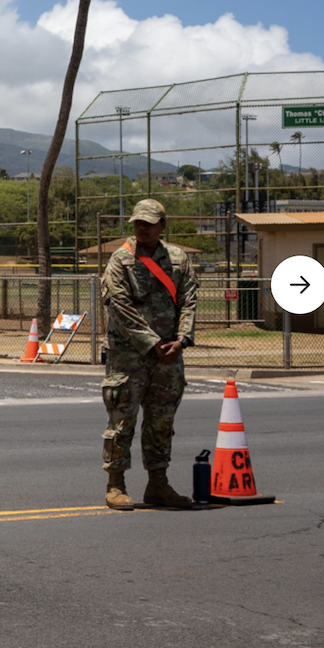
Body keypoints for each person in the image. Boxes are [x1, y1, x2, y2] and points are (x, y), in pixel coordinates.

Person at [99, 199, 199, 510]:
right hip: (128, 355)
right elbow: (120, 307)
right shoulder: (120, 260)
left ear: (162, 225)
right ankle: (115, 484)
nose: (142, 227)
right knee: (122, 421)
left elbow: (190, 301)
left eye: (149, 223)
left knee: (161, 422)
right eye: (137, 223)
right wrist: (152, 343)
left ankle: (158, 484)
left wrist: (181, 340)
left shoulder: (178, 259)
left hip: (169, 356)